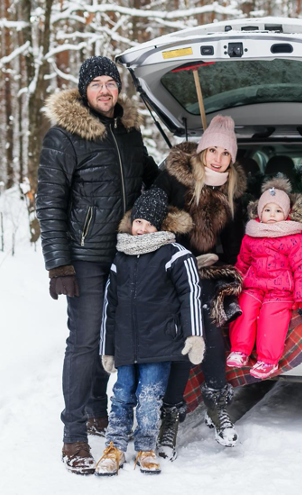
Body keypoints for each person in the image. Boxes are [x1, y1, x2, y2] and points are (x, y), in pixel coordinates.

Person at [36, 56, 159, 475]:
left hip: (125, 252)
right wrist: (59, 266)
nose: (106, 90)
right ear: (84, 90)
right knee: (85, 340)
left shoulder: (128, 134)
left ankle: (96, 408)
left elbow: (153, 181)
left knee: (112, 338)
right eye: (97, 84)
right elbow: (49, 204)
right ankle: (73, 435)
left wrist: (152, 204)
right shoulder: (64, 136)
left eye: (112, 82)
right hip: (84, 255)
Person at [153, 115, 247, 458]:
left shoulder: (231, 191)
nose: (218, 158)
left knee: (206, 324)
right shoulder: (175, 179)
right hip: (171, 268)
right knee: (184, 330)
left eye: (226, 153)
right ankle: (170, 419)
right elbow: (152, 221)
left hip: (208, 272)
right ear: (203, 149)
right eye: (213, 150)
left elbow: (235, 246)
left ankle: (217, 405)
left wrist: (231, 269)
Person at [95, 187, 205, 476]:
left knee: (150, 396)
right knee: (121, 394)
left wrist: (194, 335)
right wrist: (107, 348)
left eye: (149, 223)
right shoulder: (121, 256)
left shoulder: (174, 255)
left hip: (159, 342)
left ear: (160, 226)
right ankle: (115, 446)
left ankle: (146, 446)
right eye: (138, 222)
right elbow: (111, 304)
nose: (142, 228)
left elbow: (190, 293)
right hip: (127, 344)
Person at [228, 178, 302, 379]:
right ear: (259, 212)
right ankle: (240, 350)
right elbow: (243, 262)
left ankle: (267, 360)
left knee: (272, 316)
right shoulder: (251, 236)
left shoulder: (295, 239)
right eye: (268, 210)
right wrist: (235, 283)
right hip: (254, 287)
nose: (272, 215)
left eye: (278, 211)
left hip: (281, 290)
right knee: (245, 308)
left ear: (286, 214)